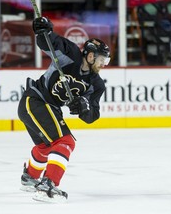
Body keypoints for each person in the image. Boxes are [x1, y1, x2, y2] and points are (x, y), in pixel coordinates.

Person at [17, 16, 110, 202]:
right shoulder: (70, 54)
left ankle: (30, 178)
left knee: (46, 146)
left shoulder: (96, 84)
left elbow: (93, 115)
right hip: (35, 100)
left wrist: (84, 107)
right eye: (101, 60)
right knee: (65, 141)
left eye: (105, 61)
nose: (103, 65)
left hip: (47, 108)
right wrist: (43, 30)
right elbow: (47, 42)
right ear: (90, 56)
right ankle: (48, 184)